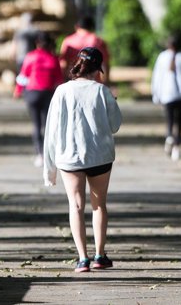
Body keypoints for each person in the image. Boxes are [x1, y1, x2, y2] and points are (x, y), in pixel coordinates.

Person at [43, 47, 122, 273]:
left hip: (70, 156)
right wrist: (113, 101)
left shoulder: (62, 91)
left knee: (76, 206)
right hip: (100, 155)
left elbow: (52, 130)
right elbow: (115, 125)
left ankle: (82, 259)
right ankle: (100, 254)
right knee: (99, 205)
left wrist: (50, 170)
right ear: (98, 69)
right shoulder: (102, 91)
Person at [14, 32, 64, 167]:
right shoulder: (54, 59)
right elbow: (59, 80)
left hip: (32, 93)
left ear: (37, 43)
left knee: (36, 125)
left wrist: (17, 90)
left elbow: (23, 76)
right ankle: (50, 154)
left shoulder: (30, 56)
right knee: (48, 125)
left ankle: (40, 155)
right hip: (48, 94)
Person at [151, 35, 181, 161]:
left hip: (167, 94)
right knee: (179, 121)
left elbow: (157, 76)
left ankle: (169, 136)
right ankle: (176, 147)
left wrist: (156, 93)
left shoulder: (162, 57)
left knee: (169, 119)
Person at [59, 16, 110, 83]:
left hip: (73, 81)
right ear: (92, 27)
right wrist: (106, 81)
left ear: (77, 26)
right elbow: (105, 63)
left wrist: (63, 81)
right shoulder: (98, 41)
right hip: (93, 82)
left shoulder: (68, 41)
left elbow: (63, 64)